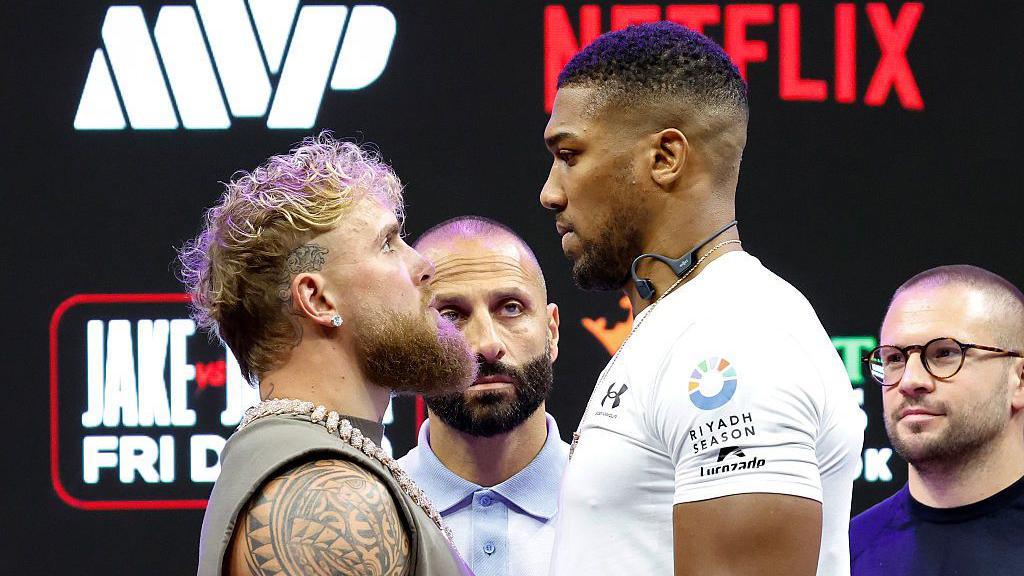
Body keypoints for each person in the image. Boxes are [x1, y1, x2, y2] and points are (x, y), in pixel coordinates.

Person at [539, 22, 863, 575]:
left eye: (570, 154)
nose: (550, 192)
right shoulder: (683, 324)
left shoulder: (736, 336)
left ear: (666, 157)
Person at [182, 134, 477, 576]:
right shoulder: (329, 501)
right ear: (318, 300)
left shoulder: (326, 465)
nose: (423, 265)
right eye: (388, 243)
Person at [397, 216, 568, 576]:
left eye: (510, 307)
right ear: (413, 342)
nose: (487, 345)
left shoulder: (626, 500)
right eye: (450, 315)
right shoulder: (370, 511)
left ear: (551, 331)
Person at [851, 265, 1024, 575]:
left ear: (1020, 380)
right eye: (894, 358)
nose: (909, 380)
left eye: (944, 353)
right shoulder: (845, 554)